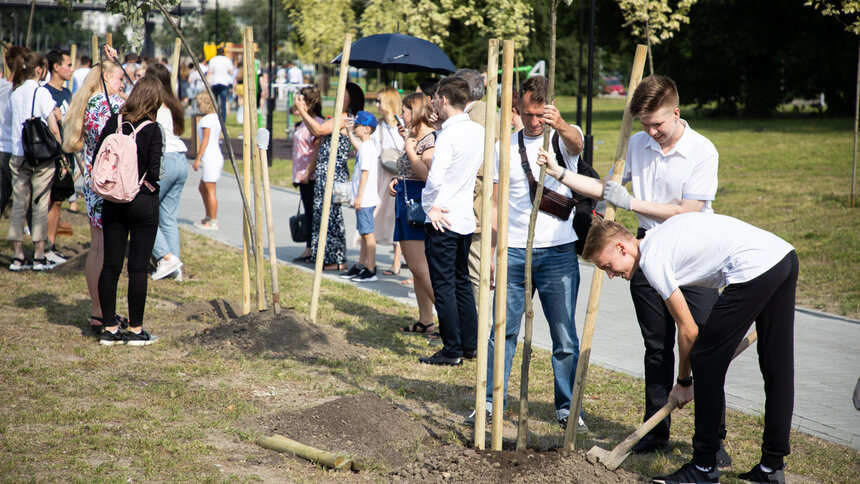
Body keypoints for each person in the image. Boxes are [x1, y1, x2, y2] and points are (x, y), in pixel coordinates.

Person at [580, 214, 797, 484]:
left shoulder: (652, 260)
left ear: (621, 248)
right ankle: (771, 468)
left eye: (607, 266)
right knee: (777, 366)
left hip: (753, 269)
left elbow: (689, 330)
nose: (611, 275)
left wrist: (683, 381)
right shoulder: (658, 237)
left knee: (704, 357)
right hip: (783, 256)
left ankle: (703, 468)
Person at [470, 75, 588, 431]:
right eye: (526, 113)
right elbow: (494, 203)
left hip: (557, 253)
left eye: (540, 114)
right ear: (517, 110)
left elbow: (577, 144)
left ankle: (568, 409)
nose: (533, 121)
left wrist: (560, 124)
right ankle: (490, 402)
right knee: (500, 332)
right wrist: (491, 253)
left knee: (565, 335)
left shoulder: (562, 138)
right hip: (514, 251)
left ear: (550, 110)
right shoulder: (501, 148)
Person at [418, 77, 484, 365]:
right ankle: (469, 344)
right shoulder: (478, 131)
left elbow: (435, 177)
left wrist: (427, 206)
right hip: (464, 217)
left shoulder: (448, 136)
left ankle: (453, 349)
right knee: (461, 281)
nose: (432, 103)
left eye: (434, 98)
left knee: (443, 283)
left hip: (443, 217)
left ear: (443, 99)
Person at [95, 76, 164, 346]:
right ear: (155, 101)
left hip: (113, 201)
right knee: (137, 269)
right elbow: (156, 171)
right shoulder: (152, 129)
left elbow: (98, 155)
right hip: (142, 202)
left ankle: (110, 328)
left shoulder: (115, 121)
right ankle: (136, 330)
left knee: (110, 266)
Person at [62, 53, 127, 333]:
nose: (123, 84)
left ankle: (98, 310)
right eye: (120, 78)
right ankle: (104, 313)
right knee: (106, 252)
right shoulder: (109, 104)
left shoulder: (89, 103)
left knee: (96, 249)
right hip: (109, 185)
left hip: (93, 183)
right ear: (107, 78)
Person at [295, 82, 364, 271]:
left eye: (344, 94)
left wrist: (302, 111)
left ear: (351, 99)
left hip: (333, 173)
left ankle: (336, 258)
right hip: (326, 172)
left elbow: (317, 130)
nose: (338, 97)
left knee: (329, 215)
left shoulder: (344, 117)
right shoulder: (339, 117)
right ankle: (326, 256)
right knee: (322, 214)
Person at [7, 52, 60, 271]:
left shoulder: (15, 93)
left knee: (19, 203)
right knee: (40, 202)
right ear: (40, 70)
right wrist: (60, 148)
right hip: (42, 156)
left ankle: (17, 255)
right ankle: (39, 254)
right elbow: (53, 127)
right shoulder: (43, 93)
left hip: (19, 153)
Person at [390, 92, 437, 334]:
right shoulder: (414, 136)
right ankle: (426, 320)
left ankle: (451, 322)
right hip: (406, 199)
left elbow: (426, 174)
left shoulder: (429, 139)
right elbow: (409, 172)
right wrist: (396, 181)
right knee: (415, 267)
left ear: (416, 111)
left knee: (420, 267)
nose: (401, 115)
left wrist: (410, 149)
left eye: (405, 111)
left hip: (418, 204)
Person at [146, 63, 187, 281]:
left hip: (165, 162)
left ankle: (165, 257)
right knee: (168, 218)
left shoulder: (154, 108)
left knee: (144, 213)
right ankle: (175, 268)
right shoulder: (173, 105)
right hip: (180, 160)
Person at [454, 68, 490, 309]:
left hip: (477, 208)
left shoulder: (476, 115)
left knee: (475, 276)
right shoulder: (482, 111)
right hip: (478, 206)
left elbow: (478, 165)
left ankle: (479, 336)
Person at [43, 49, 75, 267]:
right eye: (68, 65)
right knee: (48, 200)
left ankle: (50, 245)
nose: (71, 69)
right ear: (56, 67)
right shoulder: (44, 92)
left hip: (66, 153)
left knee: (58, 200)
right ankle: (44, 246)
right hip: (50, 153)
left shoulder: (68, 94)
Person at [342, 110, 380, 282]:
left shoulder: (367, 148)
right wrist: (350, 132)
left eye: (357, 126)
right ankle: (362, 265)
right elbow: (357, 145)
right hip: (366, 198)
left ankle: (370, 269)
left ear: (366, 129)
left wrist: (358, 197)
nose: (355, 128)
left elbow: (365, 173)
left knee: (367, 234)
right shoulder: (367, 146)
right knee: (363, 233)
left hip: (365, 199)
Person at [372, 87, 405, 276]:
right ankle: (370, 258)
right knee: (377, 215)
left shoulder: (402, 126)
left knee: (395, 217)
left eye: (380, 101)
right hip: (381, 174)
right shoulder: (379, 126)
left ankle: (396, 262)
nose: (377, 105)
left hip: (396, 176)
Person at [291, 86, 323, 263]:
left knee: (312, 213)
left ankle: (311, 248)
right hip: (301, 175)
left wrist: (307, 172)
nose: (297, 103)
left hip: (309, 176)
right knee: (308, 212)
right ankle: (310, 247)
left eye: (301, 100)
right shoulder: (303, 122)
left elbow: (316, 150)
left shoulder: (315, 122)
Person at [1, 46, 29, 219]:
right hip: (15, 148)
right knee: (23, 199)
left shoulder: (2, 86)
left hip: (1, 146)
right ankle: (32, 239)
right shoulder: (20, 91)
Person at [192, 92, 223, 231]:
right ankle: (208, 216)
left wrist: (197, 158)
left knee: (210, 190)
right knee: (202, 188)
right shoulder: (216, 117)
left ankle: (213, 221)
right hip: (216, 154)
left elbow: (204, 141)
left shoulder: (206, 120)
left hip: (210, 157)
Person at [207, 47, 234, 118]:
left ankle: (214, 116)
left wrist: (207, 82)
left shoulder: (213, 60)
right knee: (223, 102)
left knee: (214, 102)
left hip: (215, 82)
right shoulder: (227, 60)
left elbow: (210, 72)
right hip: (224, 82)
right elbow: (231, 72)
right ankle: (223, 118)